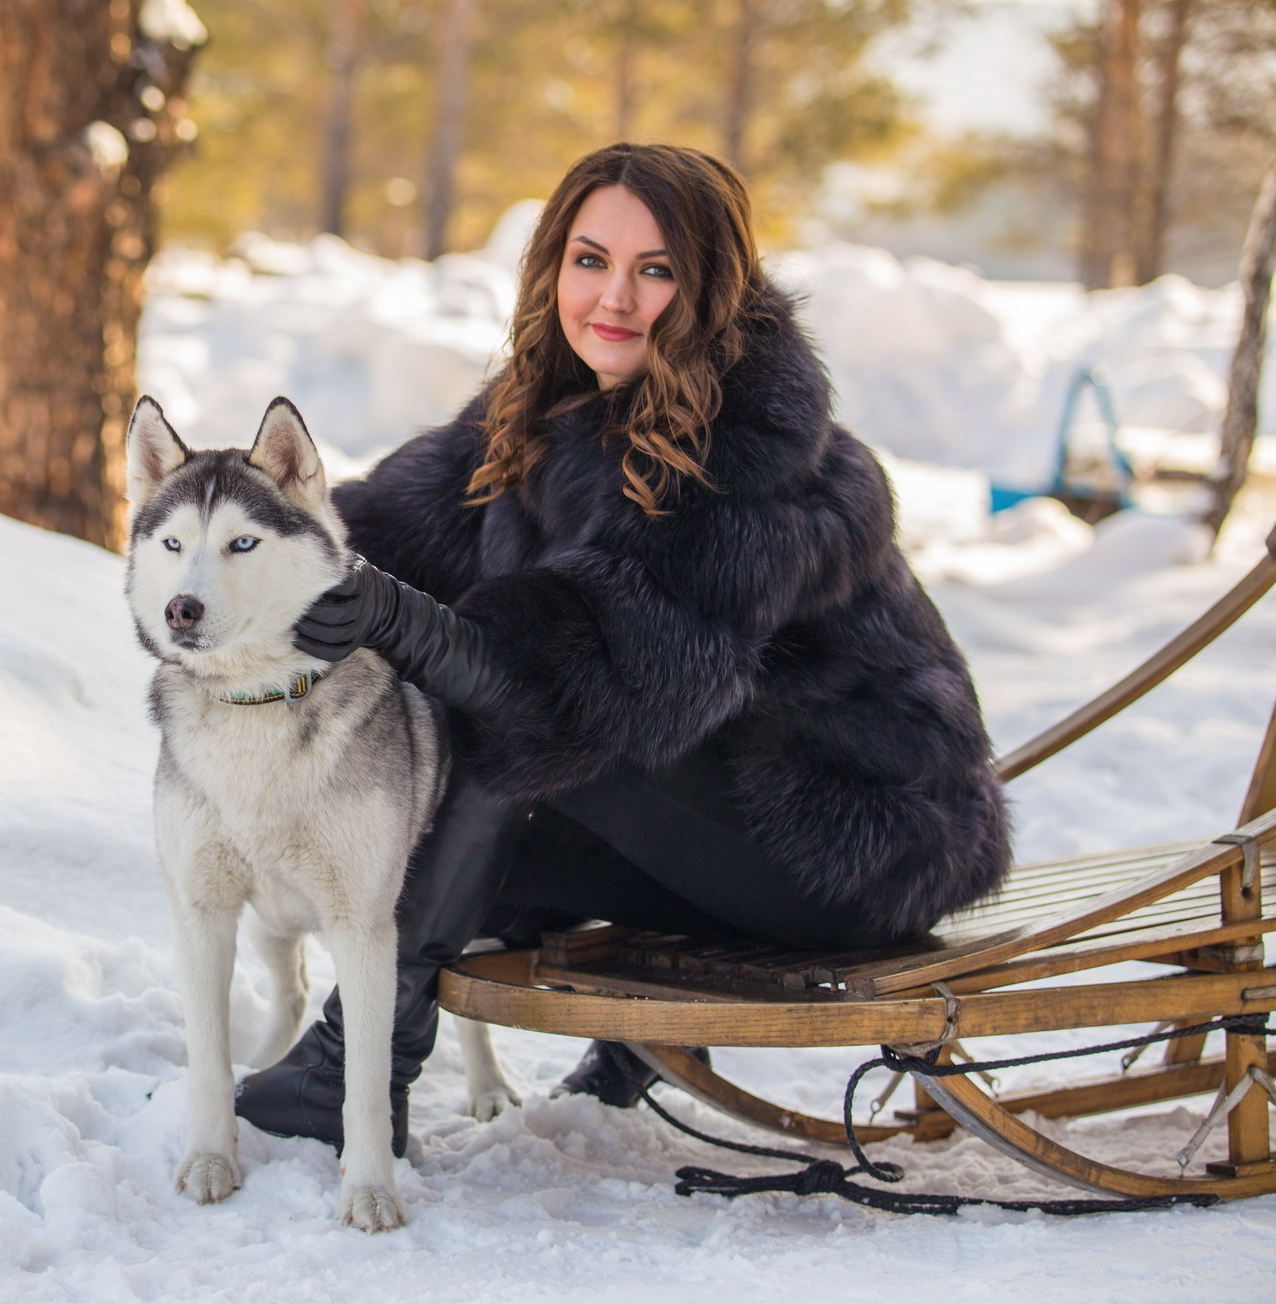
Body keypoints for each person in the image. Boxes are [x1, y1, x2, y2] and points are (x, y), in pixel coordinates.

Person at [232, 143, 1011, 1154]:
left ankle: (356, 1068)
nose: (614, 298)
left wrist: (389, 616)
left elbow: (576, 686)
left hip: (854, 833)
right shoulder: (542, 404)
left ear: (712, 288)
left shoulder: (748, 463)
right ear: (552, 265)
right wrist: (259, 564)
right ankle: (627, 1034)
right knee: (430, 820)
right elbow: (381, 531)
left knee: (502, 742)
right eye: (590, 260)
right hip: (722, 796)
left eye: (657, 270)